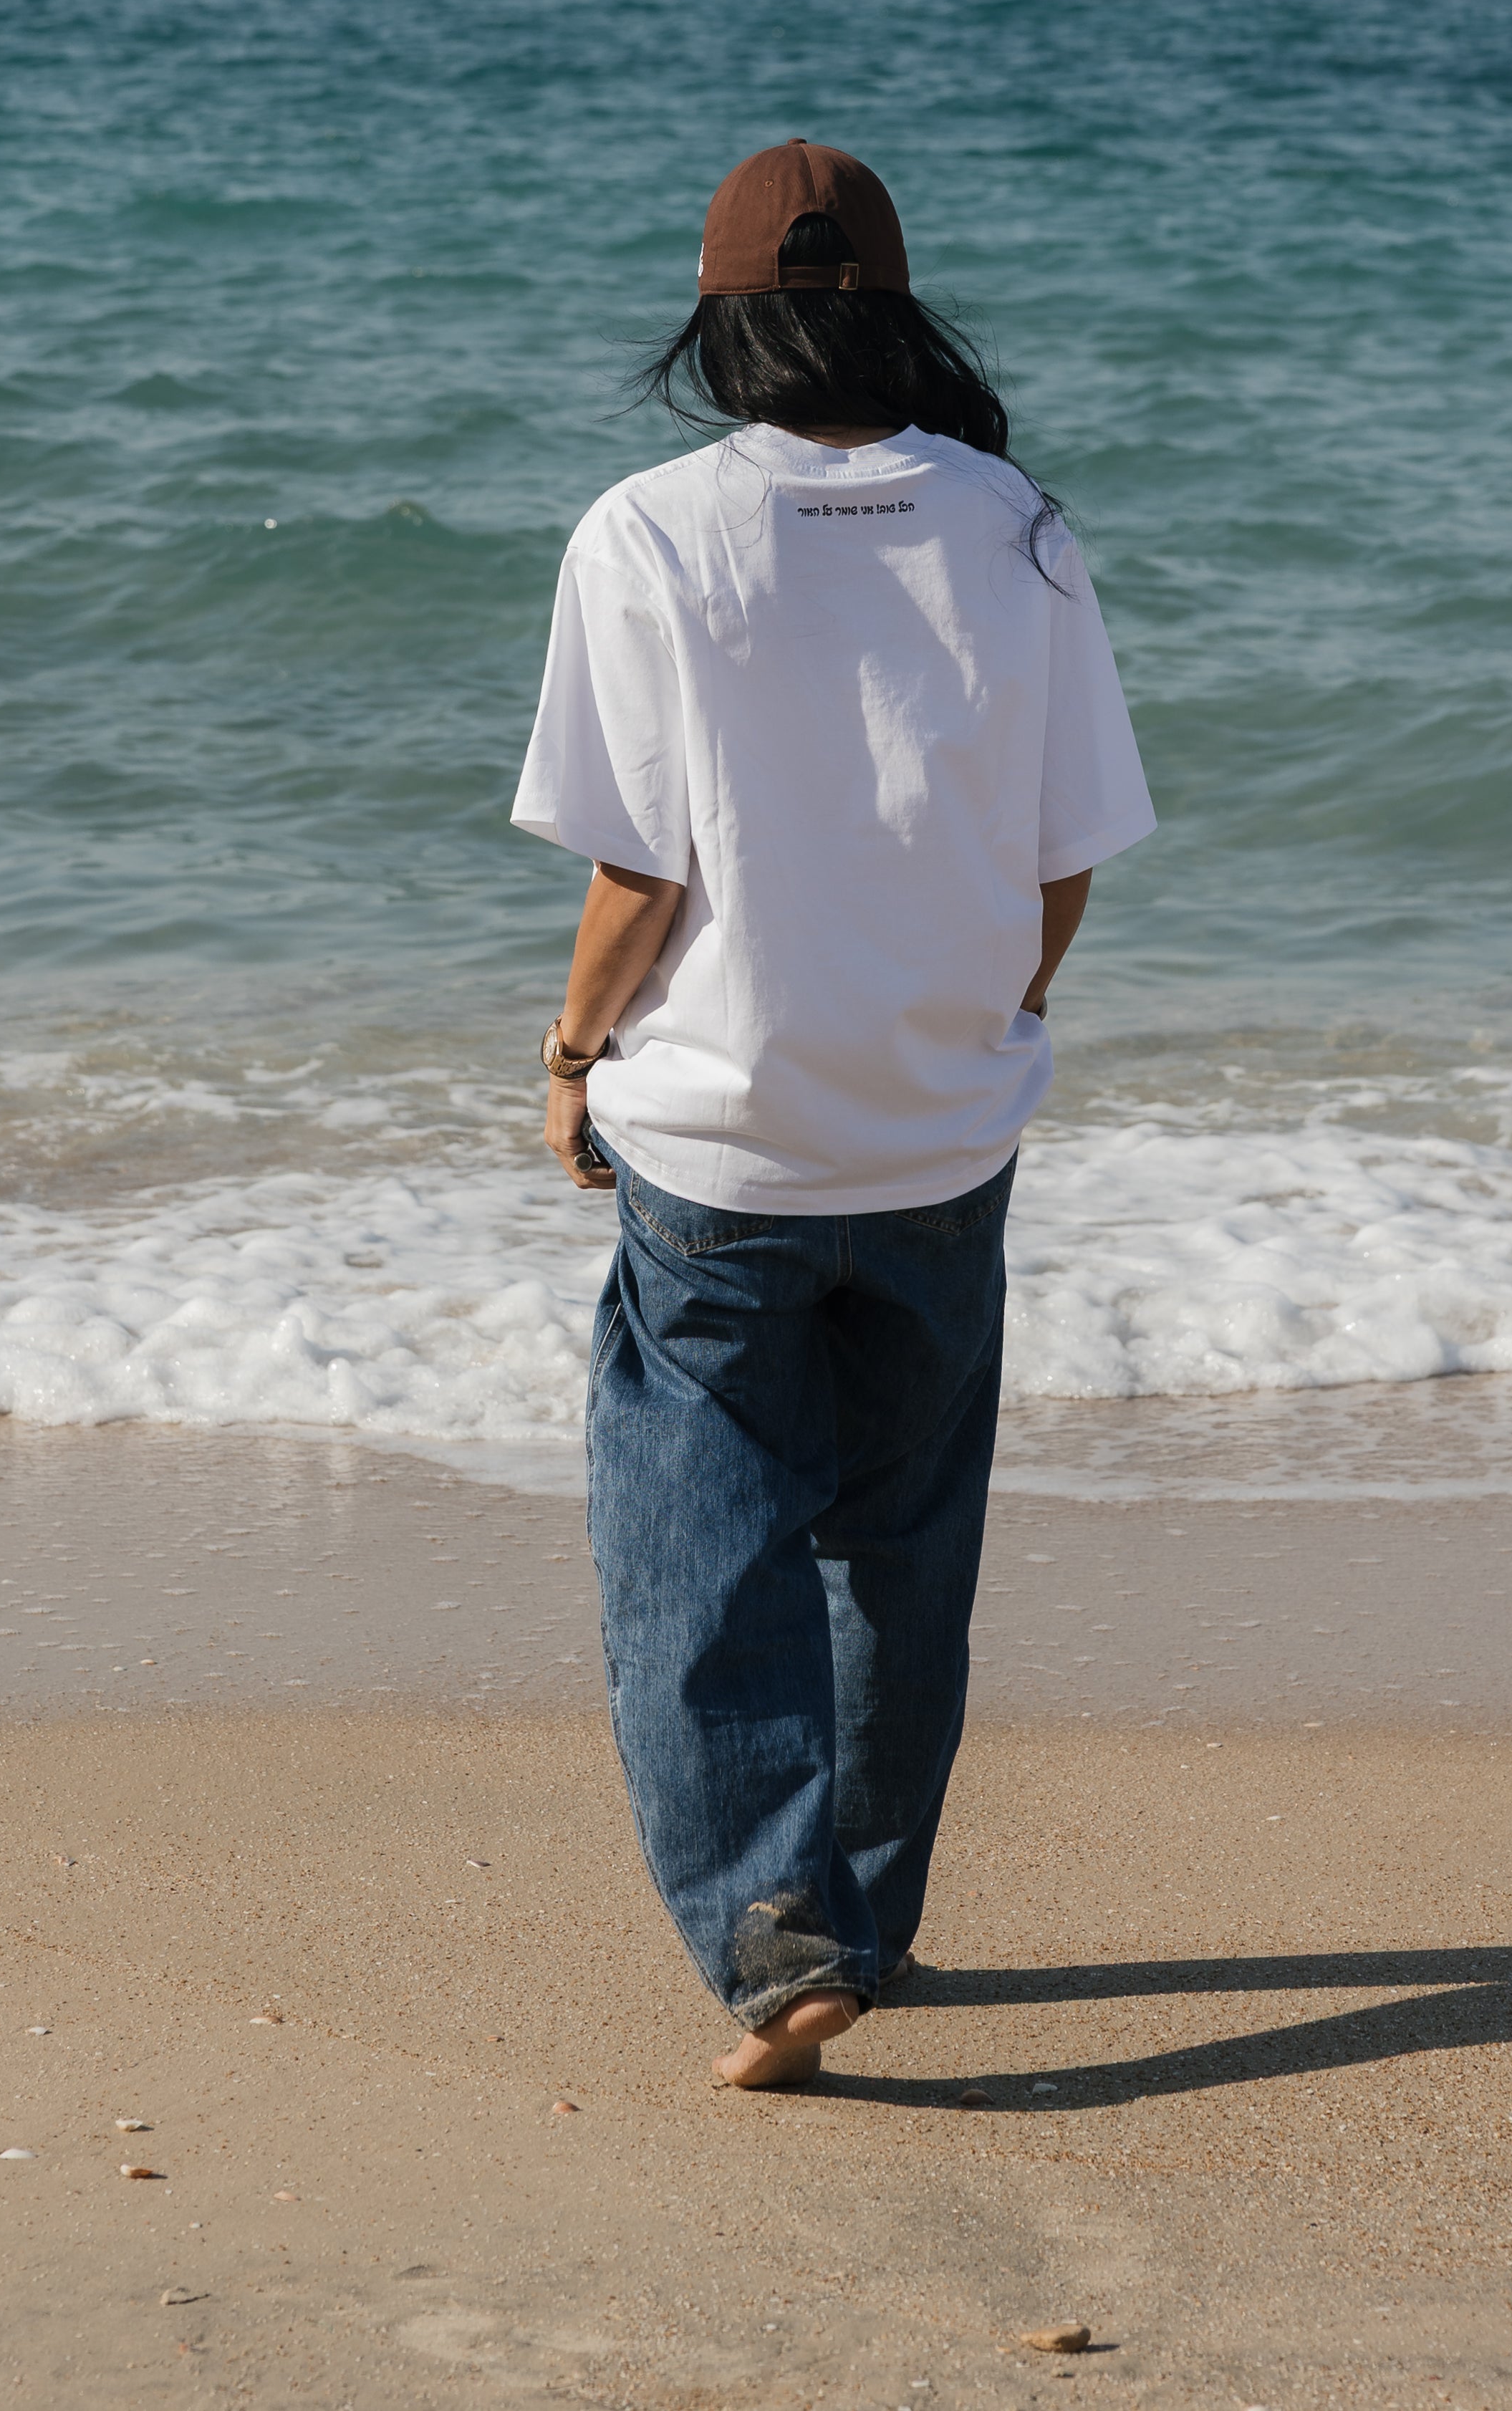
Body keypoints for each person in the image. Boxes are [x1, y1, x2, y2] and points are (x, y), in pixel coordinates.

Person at [511, 138, 1154, 2091]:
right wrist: (989, 1010)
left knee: (697, 1548)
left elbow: (639, 872)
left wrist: (570, 1055)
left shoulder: (650, 530)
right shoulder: (1016, 526)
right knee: (903, 1544)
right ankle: (862, 1912)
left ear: (720, 318)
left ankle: (775, 1931)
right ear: (895, 305)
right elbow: (1062, 859)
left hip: (725, 1137)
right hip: (945, 1129)